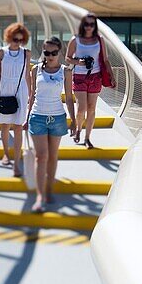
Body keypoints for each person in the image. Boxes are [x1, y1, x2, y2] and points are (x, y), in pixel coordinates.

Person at [26, 37, 76, 213]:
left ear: (60, 52)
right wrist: (26, 117)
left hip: (57, 118)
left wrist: (74, 120)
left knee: (53, 156)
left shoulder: (66, 72)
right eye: (47, 53)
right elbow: (32, 95)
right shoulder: (35, 69)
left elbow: (69, 98)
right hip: (37, 117)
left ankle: (48, 191)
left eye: (54, 52)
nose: (50, 56)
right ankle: (40, 197)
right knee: (41, 156)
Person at [0, 22, 34, 175]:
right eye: (15, 39)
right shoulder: (1, 52)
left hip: (20, 90)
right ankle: (6, 153)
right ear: (9, 37)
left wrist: (31, 93)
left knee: (19, 127)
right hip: (3, 90)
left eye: (20, 40)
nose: (17, 42)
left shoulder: (26, 53)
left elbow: (27, 74)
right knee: (5, 126)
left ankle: (16, 164)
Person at [66, 13, 115, 148]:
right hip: (80, 76)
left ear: (95, 26)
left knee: (92, 108)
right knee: (81, 108)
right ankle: (78, 129)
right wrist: (80, 62)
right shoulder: (75, 39)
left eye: (92, 24)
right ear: (83, 25)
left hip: (95, 76)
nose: (89, 27)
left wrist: (112, 76)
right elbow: (68, 58)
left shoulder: (100, 40)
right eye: (86, 24)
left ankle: (87, 138)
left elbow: (105, 59)